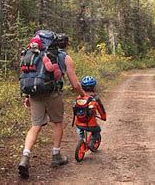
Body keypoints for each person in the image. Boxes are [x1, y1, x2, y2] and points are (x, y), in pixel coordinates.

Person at [18, 33, 85, 179]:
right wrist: (83, 94)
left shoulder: (36, 54)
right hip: (53, 93)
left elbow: (29, 76)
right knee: (57, 123)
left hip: (34, 93)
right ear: (65, 44)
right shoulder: (64, 57)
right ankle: (56, 155)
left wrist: (27, 96)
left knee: (35, 126)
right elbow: (75, 84)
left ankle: (25, 157)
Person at [74, 76, 106, 151]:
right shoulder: (95, 99)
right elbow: (101, 110)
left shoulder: (78, 97)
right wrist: (103, 117)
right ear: (94, 87)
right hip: (91, 124)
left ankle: (81, 140)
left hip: (79, 123)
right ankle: (92, 142)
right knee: (97, 130)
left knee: (79, 129)